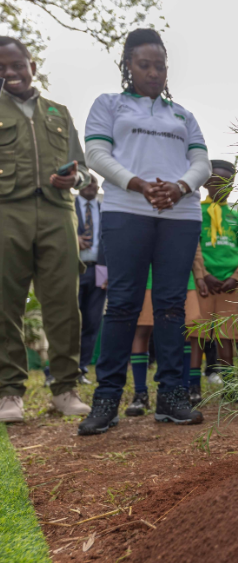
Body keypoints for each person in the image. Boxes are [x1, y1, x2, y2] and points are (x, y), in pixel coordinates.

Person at [78, 28, 211, 435]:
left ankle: (172, 396)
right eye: (145, 64)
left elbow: (202, 162)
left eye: (160, 65)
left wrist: (181, 187)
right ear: (128, 66)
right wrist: (138, 184)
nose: (154, 72)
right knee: (122, 304)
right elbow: (96, 153)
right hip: (126, 211)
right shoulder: (109, 105)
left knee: (171, 306)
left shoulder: (183, 115)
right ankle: (107, 400)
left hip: (180, 214)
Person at [0, 36, 93, 422]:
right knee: (5, 304)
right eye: (1, 67)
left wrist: (75, 178)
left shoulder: (59, 112)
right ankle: (8, 393)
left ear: (31, 65)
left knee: (63, 304)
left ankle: (65, 388)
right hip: (7, 214)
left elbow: (86, 172)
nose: (10, 73)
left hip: (58, 214)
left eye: (16, 65)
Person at [192, 160, 238, 378]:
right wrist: (203, 275)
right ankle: (193, 385)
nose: (223, 188)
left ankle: (230, 383)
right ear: (207, 183)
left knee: (228, 334)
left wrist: (237, 277)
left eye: (228, 183)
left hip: (229, 285)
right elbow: (193, 244)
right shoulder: (196, 211)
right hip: (203, 284)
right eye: (217, 182)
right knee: (198, 333)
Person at [127, 247, 204, 415]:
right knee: (141, 331)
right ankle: (140, 394)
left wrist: (199, 275)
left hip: (181, 277)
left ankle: (182, 392)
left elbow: (194, 244)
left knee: (184, 332)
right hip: (144, 277)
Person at [75, 174, 106, 384]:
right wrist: (72, 237)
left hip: (100, 270)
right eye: (86, 181)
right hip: (73, 268)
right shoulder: (67, 206)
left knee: (92, 322)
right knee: (69, 320)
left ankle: (81, 369)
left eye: (94, 182)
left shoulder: (106, 209)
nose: (90, 185)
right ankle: (59, 370)